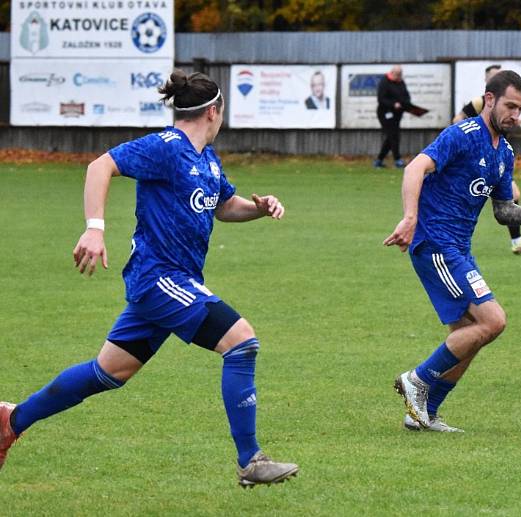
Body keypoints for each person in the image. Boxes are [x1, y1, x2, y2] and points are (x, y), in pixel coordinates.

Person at [0, 69, 299, 487]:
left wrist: (260, 207)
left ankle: (11, 420)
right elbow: (100, 165)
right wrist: (94, 227)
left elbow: (225, 205)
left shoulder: (207, 160)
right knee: (242, 343)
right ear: (214, 111)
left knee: (108, 373)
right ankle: (250, 460)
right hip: (160, 278)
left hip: (170, 283)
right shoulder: (166, 147)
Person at [384, 70, 521, 432]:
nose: (515, 114)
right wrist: (410, 217)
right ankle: (416, 380)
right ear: (490, 100)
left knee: (468, 336)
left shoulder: (505, 152)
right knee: (493, 321)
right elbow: (416, 167)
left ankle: (424, 413)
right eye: (510, 106)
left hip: (458, 249)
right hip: (435, 243)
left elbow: (502, 212)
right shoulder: (462, 136)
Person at [454, 64, 521, 255]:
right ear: (487, 82)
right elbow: (456, 120)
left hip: (497, 159)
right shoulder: (478, 103)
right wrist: (472, 138)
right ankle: (516, 240)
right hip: (480, 161)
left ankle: (516, 240)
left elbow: (509, 123)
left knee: (510, 197)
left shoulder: (506, 106)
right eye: (494, 76)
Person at [374, 65, 411, 169]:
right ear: (392, 73)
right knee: (393, 136)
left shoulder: (401, 82)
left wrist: (407, 104)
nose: (399, 77)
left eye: (400, 75)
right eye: (398, 75)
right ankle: (397, 160)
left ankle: (379, 160)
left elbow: (406, 95)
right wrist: (393, 104)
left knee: (391, 137)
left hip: (397, 114)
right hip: (385, 113)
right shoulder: (384, 82)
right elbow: (381, 99)